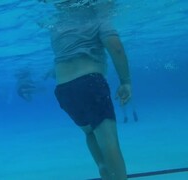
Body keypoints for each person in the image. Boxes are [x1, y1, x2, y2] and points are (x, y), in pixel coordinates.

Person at [37, 0, 131, 179]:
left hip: (64, 90)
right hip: (90, 85)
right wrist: (126, 81)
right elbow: (116, 48)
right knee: (109, 143)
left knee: (90, 132)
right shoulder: (97, 20)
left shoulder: (58, 26)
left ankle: (104, 171)